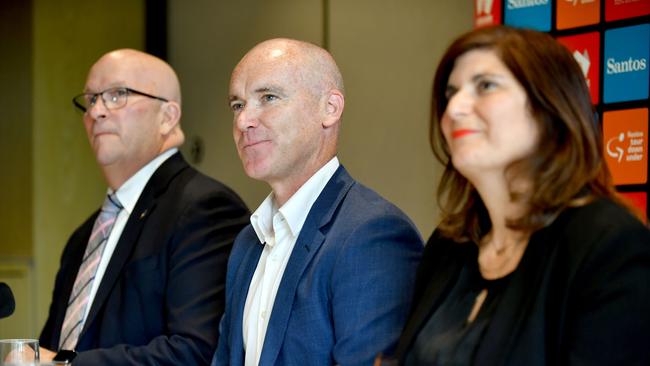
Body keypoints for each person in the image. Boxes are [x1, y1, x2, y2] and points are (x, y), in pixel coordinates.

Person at [393, 25, 650, 365]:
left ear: (549, 108)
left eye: (485, 86)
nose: (454, 108)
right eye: (450, 93)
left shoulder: (609, 245)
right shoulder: (448, 245)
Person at [212, 38, 423, 366]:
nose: (243, 121)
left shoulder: (373, 235)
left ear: (330, 108)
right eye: (237, 105)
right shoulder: (247, 243)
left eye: (268, 98)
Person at [39, 49, 250, 365]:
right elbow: (48, 351)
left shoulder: (205, 208)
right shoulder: (83, 237)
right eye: (91, 99)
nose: (97, 111)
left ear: (168, 117)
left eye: (117, 95)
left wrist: (64, 365)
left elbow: (197, 352)